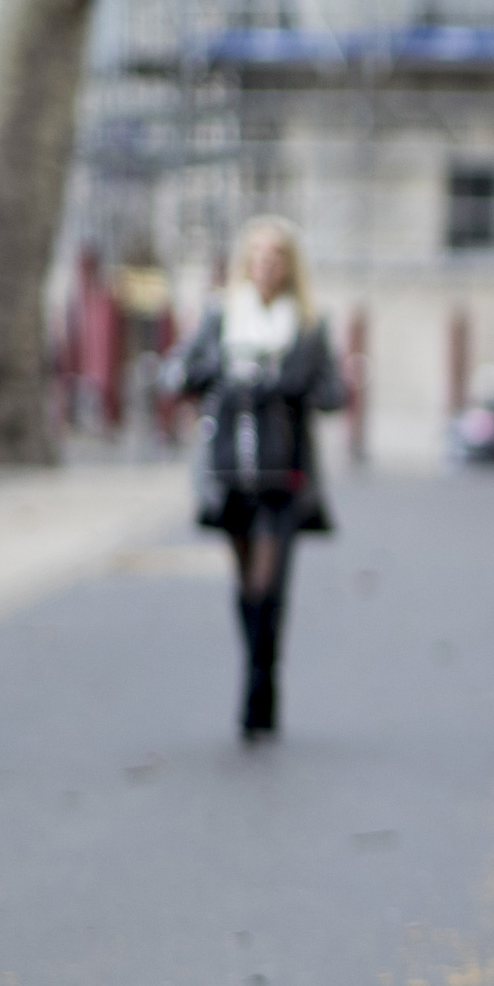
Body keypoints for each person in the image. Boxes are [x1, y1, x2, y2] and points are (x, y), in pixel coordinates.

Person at [168, 216, 346, 741]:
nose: (267, 263)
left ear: (290, 266)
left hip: (285, 477)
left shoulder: (310, 325)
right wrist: (219, 372)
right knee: (246, 584)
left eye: (278, 255)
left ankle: (261, 683)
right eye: (259, 254)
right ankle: (258, 672)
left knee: (270, 583)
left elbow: (334, 393)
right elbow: (181, 372)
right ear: (247, 261)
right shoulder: (222, 318)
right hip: (230, 471)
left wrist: (295, 385)